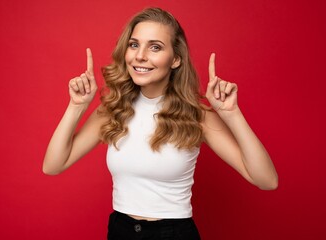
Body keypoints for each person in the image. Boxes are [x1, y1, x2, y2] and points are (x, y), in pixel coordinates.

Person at [43, 7, 278, 240]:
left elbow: (266, 180)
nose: (140, 56)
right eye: (134, 44)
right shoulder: (113, 109)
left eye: (155, 47)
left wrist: (232, 114)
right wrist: (76, 107)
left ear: (175, 59)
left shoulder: (197, 115)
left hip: (173, 234)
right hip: (120, 231)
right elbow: (53, 165)